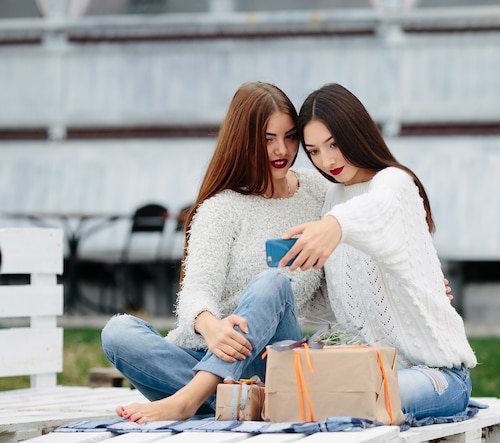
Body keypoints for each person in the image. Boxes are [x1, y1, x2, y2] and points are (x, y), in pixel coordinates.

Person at [101, 81, 332, 423]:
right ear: (245, 140)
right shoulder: (220, 209)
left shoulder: (317, 191)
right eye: (268, 139)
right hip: (203, 353)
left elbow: (344, 273)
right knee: (117, 334)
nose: (282, 149)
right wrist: (209, 325)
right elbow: (197, 288)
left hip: (273, 359)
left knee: (272, 283)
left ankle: (190, 400)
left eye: (290, 136)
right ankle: (241, 401)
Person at [280, 83, 477, 420]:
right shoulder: (335, 198)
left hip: (436, 375)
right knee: (295, 396)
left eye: (334, 144)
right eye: (313, 151)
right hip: (364, 372)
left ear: (355, 133)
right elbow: (344, 300)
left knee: (353, 400)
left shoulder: (393, 183)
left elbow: (378, 209)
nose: (326, 160)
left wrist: (334, 225)